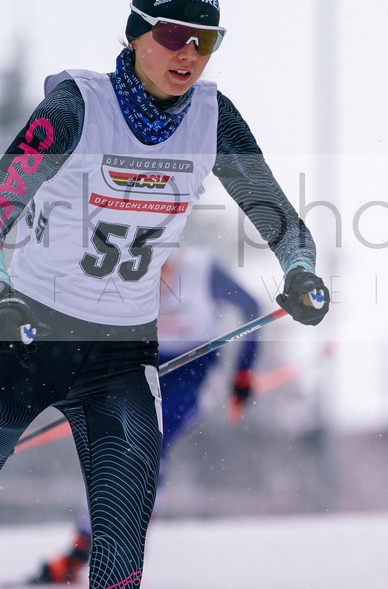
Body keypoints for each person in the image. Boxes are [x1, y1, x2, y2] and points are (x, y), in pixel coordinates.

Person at [0, 0, 329, 589]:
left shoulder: (213, 117)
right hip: (27, 342)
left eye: (207, 41)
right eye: (174, 35)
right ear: (135, 31)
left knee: (118, 572)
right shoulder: (77, 106)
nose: (190, 54)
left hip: (122, 360)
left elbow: (283, 223)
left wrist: (301, 271)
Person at [31, 247, 262, 584]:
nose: (159, 279)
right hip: (143, 366)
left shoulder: (203, 269)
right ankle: (81, 550)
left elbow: (252, 307)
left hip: (194, 373)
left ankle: (118, 551)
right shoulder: (124, 269)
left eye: (165, 268)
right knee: (112, 448)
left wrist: (243, 372)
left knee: (148, 443)